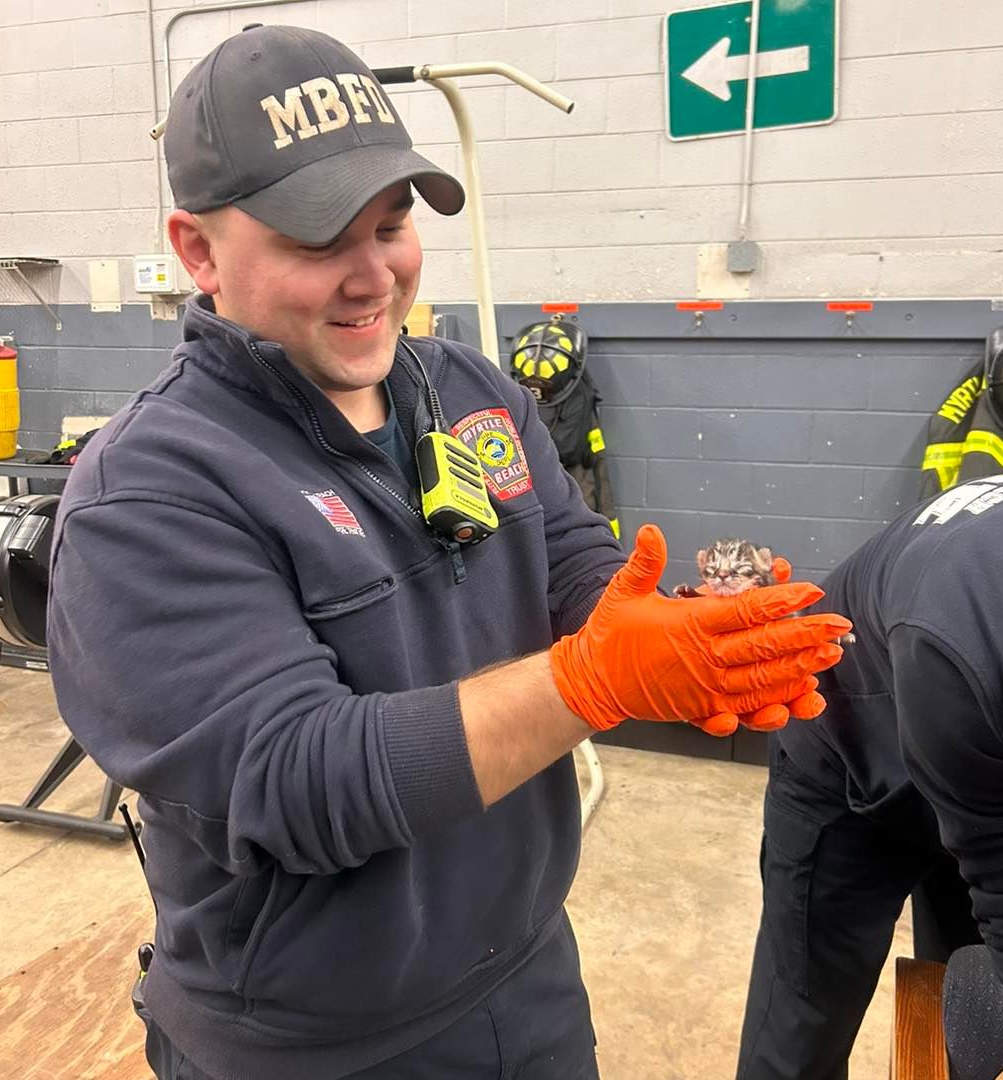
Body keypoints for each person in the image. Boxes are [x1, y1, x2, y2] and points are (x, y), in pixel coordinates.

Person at [46, 25, 848, 1080]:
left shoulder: (464, 391)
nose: (371, 273)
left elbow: (562, 558)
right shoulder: (151, 491)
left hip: (527, 977)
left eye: (391, 223)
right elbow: (298, 779)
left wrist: (664, 627)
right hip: (314, 1047)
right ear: (198, 251)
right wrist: (594, 678)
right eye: (317, 239)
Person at [735, 471, 1003, 1080]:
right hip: (843, 764)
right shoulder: (973, 627)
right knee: (801, 1032)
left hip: (980, 756)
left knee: (966, 1008)